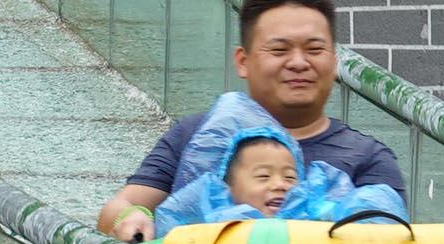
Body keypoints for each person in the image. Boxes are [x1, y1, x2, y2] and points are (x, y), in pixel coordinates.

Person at [97, 0, 407, 244]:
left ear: (334, 60)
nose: (299, 63)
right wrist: (132, 217)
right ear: (243, 61)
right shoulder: (196, 136)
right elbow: (120, 207)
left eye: (314, 49)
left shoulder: (368, 158)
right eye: (279, 49)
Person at [147, 92, 408, 234]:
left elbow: (365, 205)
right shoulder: (211, 212)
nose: (280, 185)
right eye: (263, 176)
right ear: (229, 187)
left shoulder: (311, 209)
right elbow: (172, 221)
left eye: (290, 177)